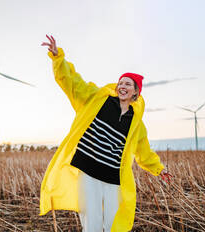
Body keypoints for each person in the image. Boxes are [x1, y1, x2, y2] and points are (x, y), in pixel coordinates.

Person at [40, 35, 171, 232]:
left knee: (113, 223)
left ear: (136, 93)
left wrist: (159, 169)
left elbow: (144, 153)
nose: (122, 86)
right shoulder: (97, 99)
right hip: (88, 169)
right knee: (91, 222)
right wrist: (59, 58)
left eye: (128, 84)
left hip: (113, 177)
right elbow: (73, 84)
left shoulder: (136, 124)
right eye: (121, 83)